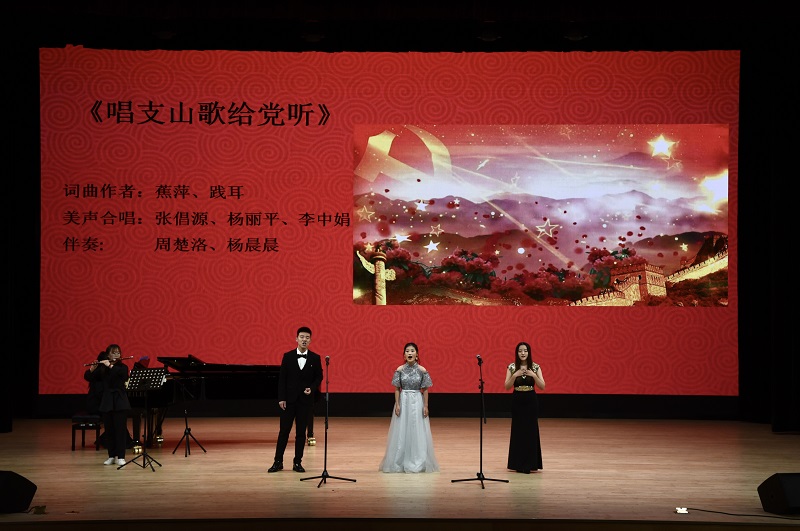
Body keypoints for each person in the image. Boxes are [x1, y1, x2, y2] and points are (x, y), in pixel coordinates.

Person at [268, 326, 323, 473]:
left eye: (307, 337)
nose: (304, 340)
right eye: (302, 337)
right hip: (289, 401)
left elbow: (319, 377)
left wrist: (312, 388)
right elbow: (282, 379)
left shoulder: (315, 358)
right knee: (284, 432)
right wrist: (281, 398)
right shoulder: (288, 356)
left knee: (301, 433)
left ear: (310, 340)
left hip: (305, 401)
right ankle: (278, 461)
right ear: (296, 339)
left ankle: (297, 462)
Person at [379, 342, 439, 473]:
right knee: (402, 429)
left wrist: (425, 406)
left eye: (412, 350)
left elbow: (425, 389)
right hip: (404, 400)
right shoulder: (399, 370)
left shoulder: (422, 370)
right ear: (404, 355)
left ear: (417, 355)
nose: (410, 353)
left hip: (417, 400)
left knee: (416, 429)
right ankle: (399, 461)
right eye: (407, 351)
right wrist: (397, 404)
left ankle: (417, 460)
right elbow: (396, 388)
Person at [505, 341, 545, 473]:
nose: (523, 353)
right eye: (520, 351)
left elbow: (542, 386)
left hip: (531, 400)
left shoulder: (535, 367)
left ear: (529, 352)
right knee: (518, 430)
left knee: (531, 431)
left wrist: (533, 375)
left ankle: (530, 464)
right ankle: (517, 464)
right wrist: (514, 375)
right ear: (517, 353)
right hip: (517, 400)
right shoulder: (512, 367)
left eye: (525, 351)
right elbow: (507, 386)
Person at [89, 343, 132, 466]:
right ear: (108, 355)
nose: (117, 354)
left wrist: (110, 366)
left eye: (118, 352)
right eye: (114, 352)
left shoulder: (123, 367)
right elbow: (89, 378)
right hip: (107, 401)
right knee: (109, 430)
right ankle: (111, 456)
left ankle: (121, 456)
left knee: (120, 430)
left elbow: (122, 376)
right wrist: (92, 369)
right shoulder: (103, 369)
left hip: (120, 401)